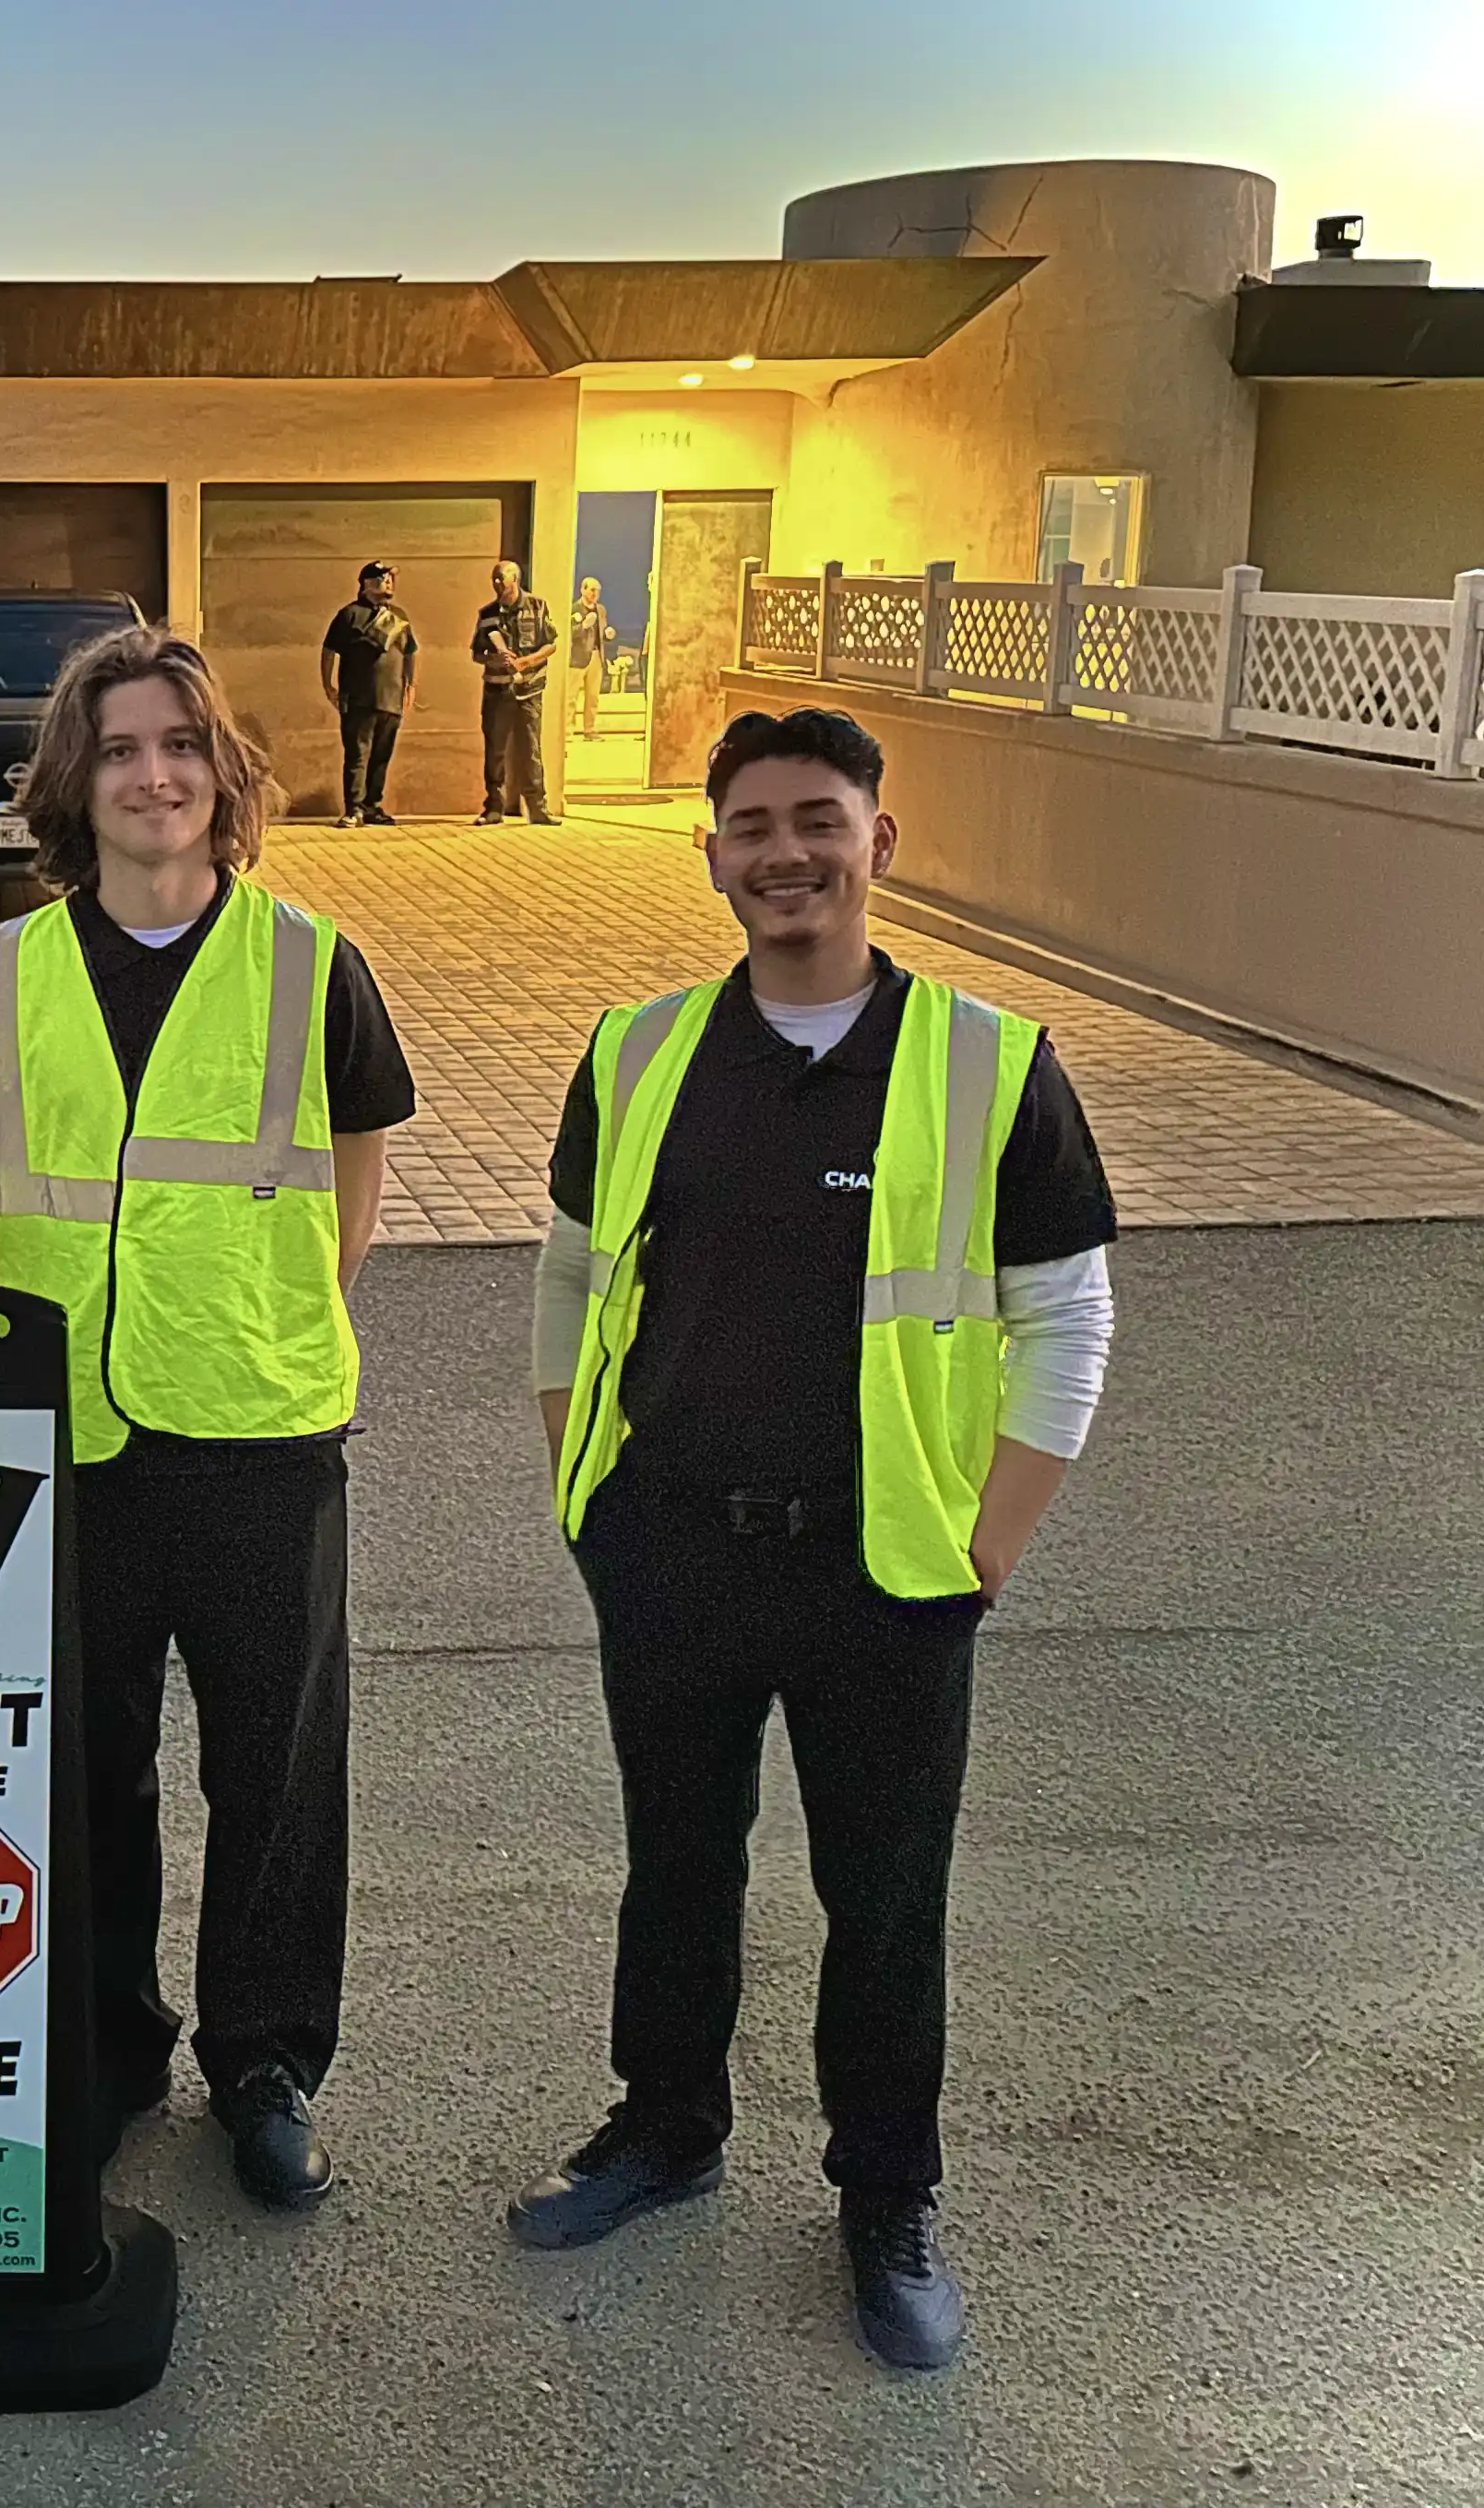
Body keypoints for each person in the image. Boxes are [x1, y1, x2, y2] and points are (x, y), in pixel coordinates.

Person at [510, 705, 1120, 2373]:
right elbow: (569, 1269)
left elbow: (1063, 1317)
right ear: (708, 853)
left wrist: (983, 1547)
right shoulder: (637, 1051)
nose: (783, 851)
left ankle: (883, 2192)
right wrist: (586, 1489)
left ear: (877, 841)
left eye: (816, 819)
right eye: (751, 824)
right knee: (675, 1864)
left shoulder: (989, 1062)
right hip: (673, 1546)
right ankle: (661, 2125)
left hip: (890, 1567)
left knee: (883, 1897)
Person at [0, 624, 415, 2210]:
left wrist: (253, 1317)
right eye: (121, 748)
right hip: (63, 1443)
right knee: (82, 1769)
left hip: (259, 1433)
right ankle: (105, 2044)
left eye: (181, 745)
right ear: (76, 782)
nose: (153, 774)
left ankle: (263, 2059)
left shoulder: (309, 961)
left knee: (273, 1772)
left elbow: (348, 1191)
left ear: (224, 776)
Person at [317, 560, 417, 827]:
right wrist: (328, 686)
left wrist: (410, 686)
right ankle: (354, 809)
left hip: (391, 699)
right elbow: (329, 651)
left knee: (381, 755)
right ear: (366, 584)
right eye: (383, 579)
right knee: (357, 755)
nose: (389, 583)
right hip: (359, 699)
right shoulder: (349, 614)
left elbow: (409, 653)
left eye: (390, 579)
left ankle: (373, 806)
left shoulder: (399, 616)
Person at [470, 559, 557, 826]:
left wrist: (525, 662)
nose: (497, 584)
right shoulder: (487, 614)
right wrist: (494, 660)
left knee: (530, 750)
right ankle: (493, 808)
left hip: (529, 691)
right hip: (497, 691)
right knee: (495, 750)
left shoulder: (537, 606)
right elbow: (476, 653)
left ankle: (538, 809)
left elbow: (551, 645)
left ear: (515, 579)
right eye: (494, 579)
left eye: (501, 579)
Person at [568, 576, 610, 739]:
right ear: (583, 590)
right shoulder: (574, 608)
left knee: (593, 696)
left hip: (595, 656)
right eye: (592, 590)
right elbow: (569, 633)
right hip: (577, 658)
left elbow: (601, 631)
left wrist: (607, 634)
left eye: (597, 591)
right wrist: (583, 626)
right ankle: (567, 731)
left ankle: (590, 729)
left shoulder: (601, 610)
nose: (595, 594)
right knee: (571, 696)